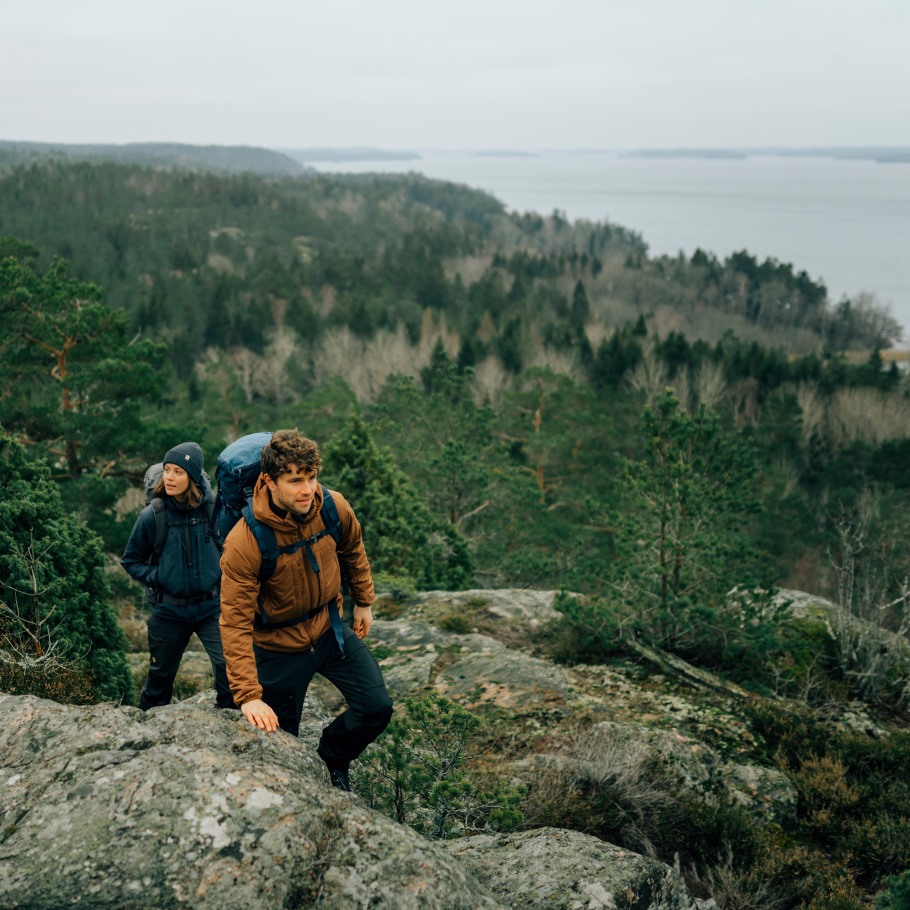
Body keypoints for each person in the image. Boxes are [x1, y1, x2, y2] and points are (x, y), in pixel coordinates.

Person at [219, 429, 392, 792]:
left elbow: (352, 547)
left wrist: (364, 601)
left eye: (311, 477)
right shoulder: (245, 540)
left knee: (376, 707)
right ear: (268, 481)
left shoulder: (332, 505)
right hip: (278, 648)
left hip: (329, 629)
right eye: (295, 480)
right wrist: (248, 695)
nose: (307, 489)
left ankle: (332, 758)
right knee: (281, 749)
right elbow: (234, 622)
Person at [121, 442, 235, 711]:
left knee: (228, 668)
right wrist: (158, 575)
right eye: (167, 470)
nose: (169, 477)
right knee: (160, 677)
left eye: (178, 472)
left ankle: (230, 723)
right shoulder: (153, 515)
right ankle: (146, 729)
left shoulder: (214, 510)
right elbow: (131, 560)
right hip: (169, 609)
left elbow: (235, 551)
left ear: (193, 477)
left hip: (211, 606)